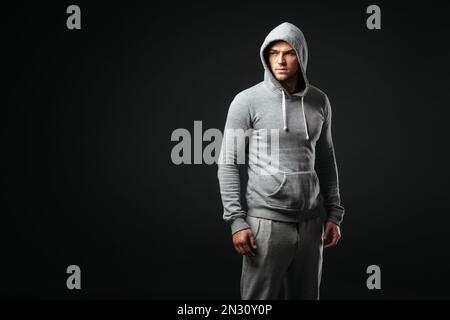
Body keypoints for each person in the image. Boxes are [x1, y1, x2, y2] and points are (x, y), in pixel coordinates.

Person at [217, 22, 345, 300]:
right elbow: (227, 162)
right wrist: (236, 221)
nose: (281, 60)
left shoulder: (319, 101)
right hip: (266, 223)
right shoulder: (246, 101)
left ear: (301, 57)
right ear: (266, 56)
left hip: (311, 224)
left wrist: (334, 213)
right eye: (274, 53)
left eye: (289, 53)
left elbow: (325, 158)